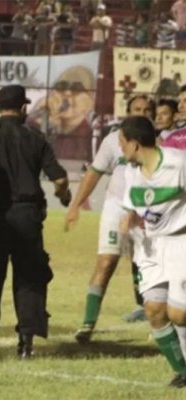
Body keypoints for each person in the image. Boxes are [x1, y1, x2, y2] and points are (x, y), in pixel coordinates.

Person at [0, 84, 71, 361]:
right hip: (27, 216)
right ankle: (26, 345)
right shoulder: (35, 138)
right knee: (30, 279)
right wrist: (64, 195)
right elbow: (59, 180)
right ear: (22, 108)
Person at [67, 95, 153, 344]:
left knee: (147, 267)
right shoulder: (113, 141)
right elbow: (94, 173)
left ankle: (153, 318)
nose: (142, 112)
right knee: (105, 263)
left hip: (148, 212)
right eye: (137, 109)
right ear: (127, 112)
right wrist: (75, 206)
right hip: (116, 209)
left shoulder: (160, 142)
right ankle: (88, 323)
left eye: (147, 109)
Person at [119, 116, 186, 388]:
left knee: (179, 314)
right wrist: (128, 222)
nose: (120, 149)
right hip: (149, 245)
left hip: (181, 242)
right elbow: (131, 207)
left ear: (134, 144)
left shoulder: (178, 163)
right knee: (154, 310)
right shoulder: (130, 172)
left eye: (122, 143)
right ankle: (182, 371)